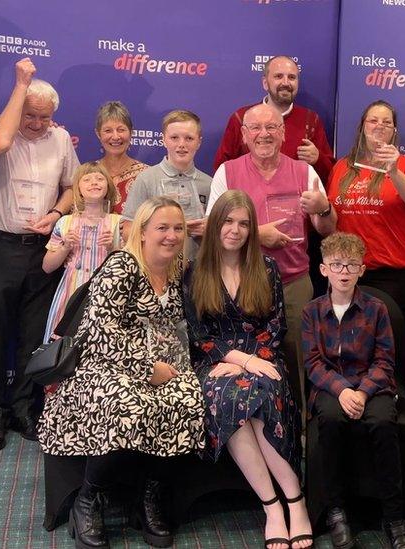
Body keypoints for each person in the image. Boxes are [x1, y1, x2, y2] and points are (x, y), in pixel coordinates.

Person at [39, 196, 206, 549]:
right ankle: (88, 500)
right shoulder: (122, 266)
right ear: (142, 232)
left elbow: (177, 329)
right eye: (162, 228)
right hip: (105, 363)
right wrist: (146, 368)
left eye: (178, 228)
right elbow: (99, 331)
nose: (172, 236)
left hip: (165, 365)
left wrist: (176, 370)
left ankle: (147, 500)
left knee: (189, 401)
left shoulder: (177, 271)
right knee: (127, 403)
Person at [183, 190, 312, 549]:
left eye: (243, 223)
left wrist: (256, 360)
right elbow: (199, 335)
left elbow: (275, 327)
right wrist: (241, 360)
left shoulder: (266, 267)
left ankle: (296, 502)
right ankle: (273, 507)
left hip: (265, 358)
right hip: (216, 364)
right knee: (231, 399)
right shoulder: (195, 272)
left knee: (260, 393)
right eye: (227, 221)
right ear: (214, 225)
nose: (235, 230)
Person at [0, 59, 80, 451]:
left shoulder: (60, 139)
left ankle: (22, 408)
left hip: (41, 251)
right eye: (30, 115)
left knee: (32, 335)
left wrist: (55, 213)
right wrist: (21, 87)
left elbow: (71, 187)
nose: (37, 123)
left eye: (44, 117)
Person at [207, 103, 336, 417]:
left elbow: (327, 228)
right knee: (244, 358)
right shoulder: (228, 172)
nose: (264, 134)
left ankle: (298, 433)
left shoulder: (305, 171)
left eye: (271, 128)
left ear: (282, 133)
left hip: (293, 282)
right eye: (256, 128)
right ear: (245, 135)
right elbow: (214, 228)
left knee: (296, 360)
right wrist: (256, 235)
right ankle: (246, 429)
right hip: (240, 281)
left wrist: (323, 208)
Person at [301, 232, 405, 549]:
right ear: (323, 269)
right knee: (332, 422)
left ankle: (394, 516)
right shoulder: (312, 311)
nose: (344, 271)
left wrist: (362, 392)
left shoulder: (376, 309)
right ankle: (336, 511)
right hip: (331, 387)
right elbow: (312, 363)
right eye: (337, 264)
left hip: (371, 386)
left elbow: (384, 360)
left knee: (381, 423)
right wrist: (342, 391)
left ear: (362, 270)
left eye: (351, 265)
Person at [327, 100, 405, 314]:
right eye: (373, 120)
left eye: (386, 122)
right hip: (347, 270)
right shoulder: (342, 167)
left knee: (387, 341)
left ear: (394, 131)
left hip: (392, 273)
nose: (379, 125)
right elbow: (332, 217)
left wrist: (393, 172)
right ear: (363, 126)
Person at [213, 55, 335, 182]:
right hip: (248, 199)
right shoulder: (242, 118)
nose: (286, 83)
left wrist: (318, 159)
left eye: (292, 77)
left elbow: (331, 173)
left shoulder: (311, 120)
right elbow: (222, 171)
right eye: (278, 76)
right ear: (265, 83)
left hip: (295, 200)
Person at [42, 162, 122, 343]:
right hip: (70, 292)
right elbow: (47, 266)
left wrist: (113, 248)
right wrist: (65, 247)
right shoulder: (65, 222)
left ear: (108, 185)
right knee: (64, 348)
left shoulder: (119, 223)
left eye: (100, 178)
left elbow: (131, 265)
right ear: (78, 188)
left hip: (106, 294)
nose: (94, 182)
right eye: (87, 179)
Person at [123, 109, 211, 260]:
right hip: (155, 269)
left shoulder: (209, 184)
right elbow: (127, 229)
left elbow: (223, 232)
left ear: (199, 142)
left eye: (189, 138)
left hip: (198, 269)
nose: (181, 144)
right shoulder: (146, 179)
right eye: (174, 138)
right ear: (163, 140)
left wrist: (209, 230)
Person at [94, 100, 148, 214]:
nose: (115, 136)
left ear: (131, 132)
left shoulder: (147, 175)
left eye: (121, 130)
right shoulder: (87, 174)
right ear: (98, 134)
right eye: (108, 130)